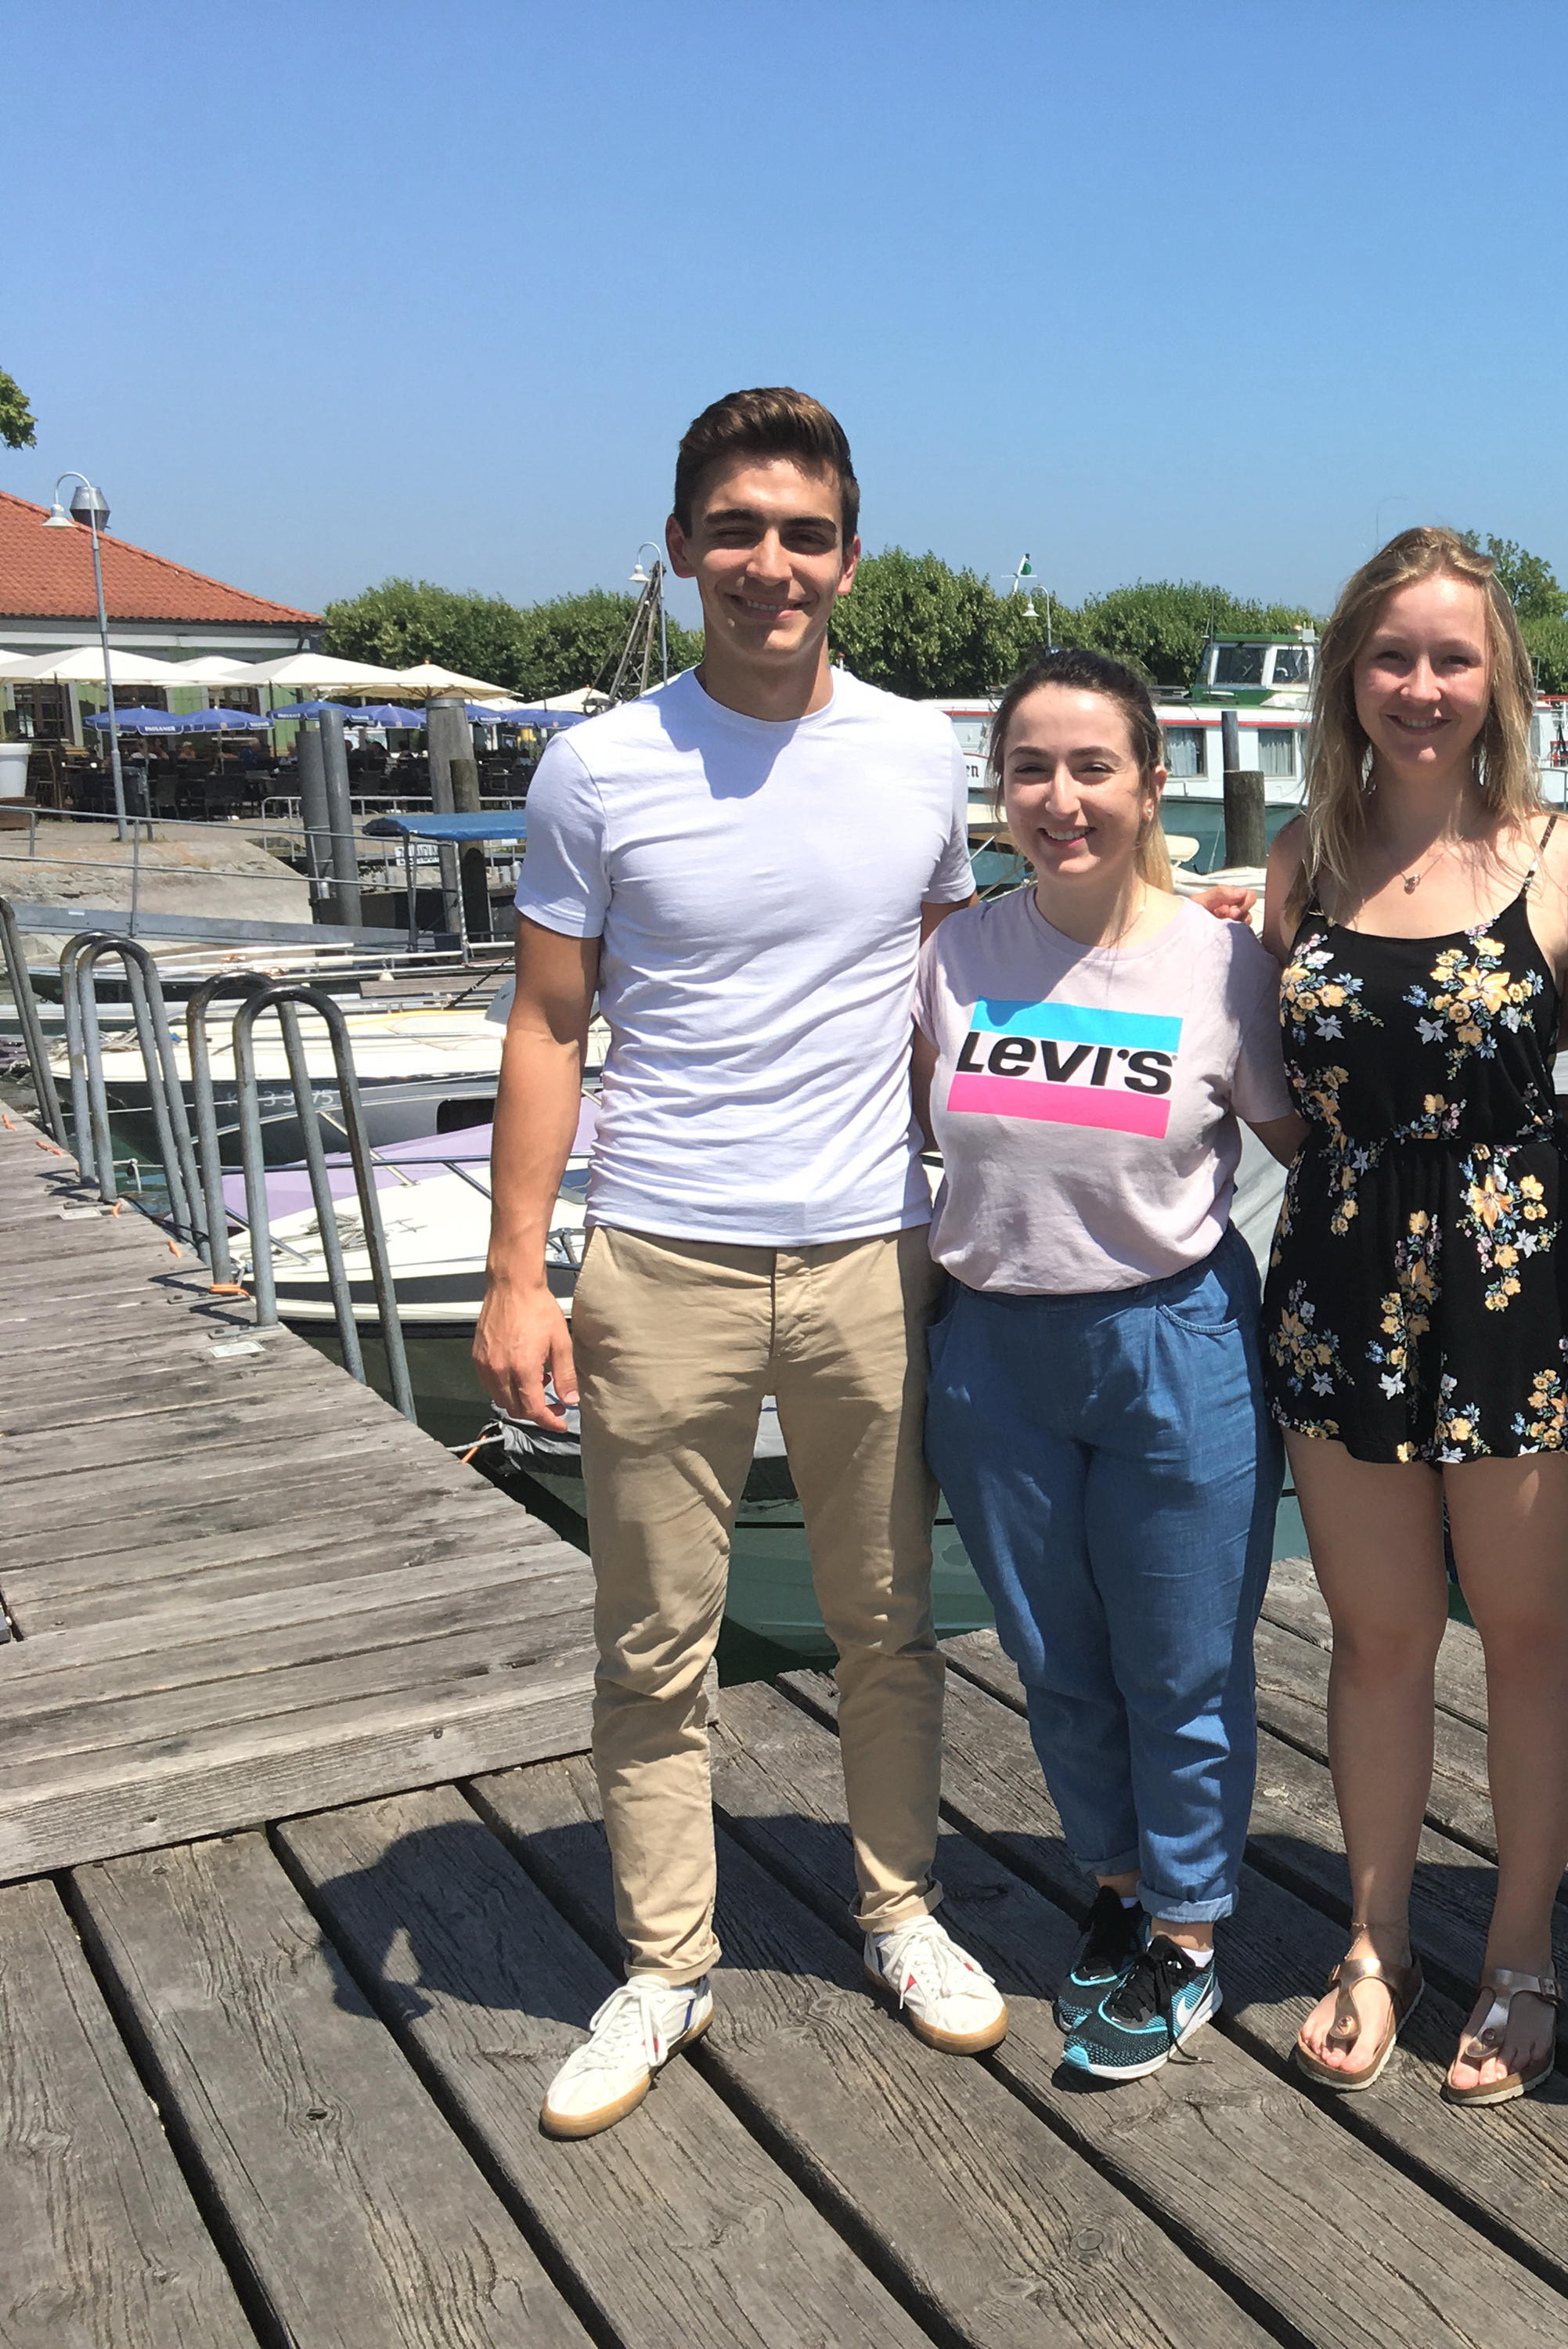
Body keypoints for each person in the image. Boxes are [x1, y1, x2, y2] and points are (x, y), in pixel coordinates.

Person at [477, 387, 1008, 2141]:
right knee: (652, 1640)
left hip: (872, 1249)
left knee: (887, 1622)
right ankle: (664, 1960)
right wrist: (517, 1274)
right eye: (736, 531)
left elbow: (952, 996)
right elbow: (549, 1023)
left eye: (802, 534)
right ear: (681, 547)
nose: (768, 564)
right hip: (659, 1255)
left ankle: (899, 1910)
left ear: (848, 558)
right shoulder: (598, 766)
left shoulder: (918, 754)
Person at [1263, 526, 1568, 2106]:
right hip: (1340, 1279)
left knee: (1531, 1631)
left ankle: (1522, 1949)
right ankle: (1375, 1942)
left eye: (1452, 657)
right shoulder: (1301, 858)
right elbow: (1267, 1081)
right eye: (1392, 656)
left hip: (1520, 1284)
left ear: (1499, 681)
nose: (1420, 687)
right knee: (1377, 1636)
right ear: (1347, 675)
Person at [914, 646, 1299, 2080]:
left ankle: (1189, 1931)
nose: (1061, 799)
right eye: (1031, 769)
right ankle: (1119, 1887)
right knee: (1056, 1657)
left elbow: (1307, 1143)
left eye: (1093, 768)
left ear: (1150, 782)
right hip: (995, 1348)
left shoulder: (1221, 960)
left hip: (1172, 1339)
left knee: (1183, 1662)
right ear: (999, 788)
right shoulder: (956, 957)